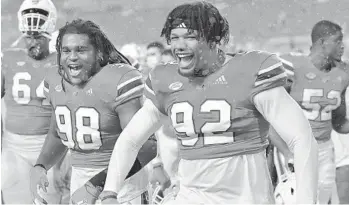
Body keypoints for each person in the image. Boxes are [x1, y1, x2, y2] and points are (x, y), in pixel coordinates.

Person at [100, 1, 319, 204]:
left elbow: (301, 138)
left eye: (190, 37)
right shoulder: (165, 80)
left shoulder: (249, 71)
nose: (179, 45)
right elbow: (130, 139)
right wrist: (110, 191)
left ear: (214, 40)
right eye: (174, 37)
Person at [29, 19, 156, 205]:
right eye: (66, 50)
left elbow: (147, 147)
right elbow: (58, 135)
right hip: (80, 180)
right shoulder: (54, 80)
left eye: (81, 50)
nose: (72, 56)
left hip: (124, 183)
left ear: (99, 53)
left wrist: (96, 185)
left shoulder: (119, 79)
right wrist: (41, 166)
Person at [273, 20, 349, 204]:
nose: (343, 46)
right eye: (338, 41)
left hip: (324, 148)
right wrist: (286, 151)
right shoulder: (291, 66)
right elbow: (268, 115)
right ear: (322, 43)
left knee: (322, 199)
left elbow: (338, 122)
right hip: (294, 146)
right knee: (296, 199)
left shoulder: (342, 74)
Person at [1, 0, 69, 203]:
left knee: (49, 200)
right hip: (14, 147)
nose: (33, 42)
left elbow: (67, 113)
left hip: (49, 147)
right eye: (29, 36)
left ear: (49, 35)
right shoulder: (8, 59)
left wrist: (59, 162)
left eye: (38, 36)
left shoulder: (62, 62)